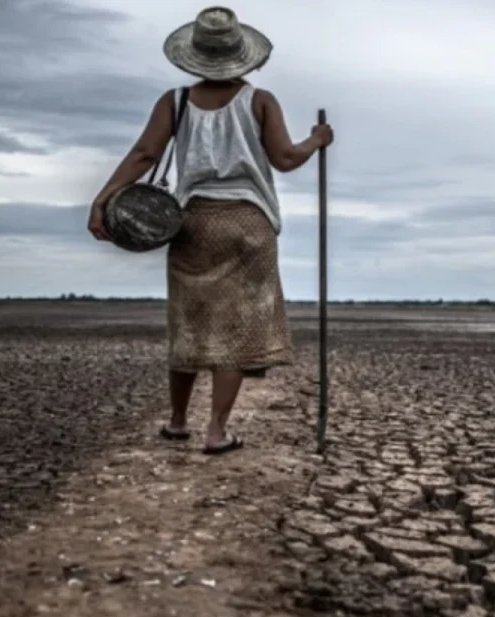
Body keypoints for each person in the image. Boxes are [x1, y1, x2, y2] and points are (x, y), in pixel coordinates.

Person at [87, 7, 333, 454]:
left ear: (195, 55)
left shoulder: (175, 102)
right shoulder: (259, 100)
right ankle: (217, 431)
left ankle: (178, 422)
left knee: (190, 322)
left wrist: (104, 198)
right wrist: (317, 141)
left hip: (193, 222)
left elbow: (145, 154)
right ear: (243, 56)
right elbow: (285, 158)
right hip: (249, 223)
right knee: (236, 330)